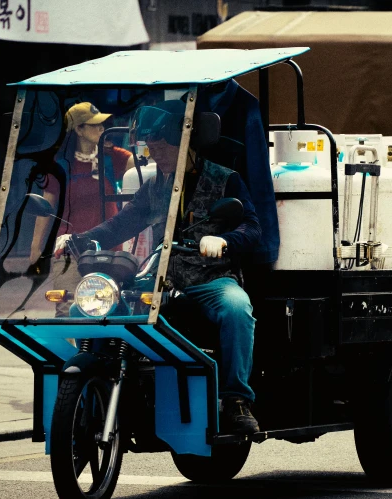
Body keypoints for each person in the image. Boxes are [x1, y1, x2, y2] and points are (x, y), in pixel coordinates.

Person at [55, 100, 262, 435]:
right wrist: (79, 238)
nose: (156, 155)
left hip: (212, 278)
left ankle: (237, 398)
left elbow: (252, 228)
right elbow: (123, 224)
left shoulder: (225, 180)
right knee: (91, 307)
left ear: (185, 143)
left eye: (163, 147)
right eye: (151, 148)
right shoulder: (155, 185)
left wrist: (223, 241)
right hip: (162, 276)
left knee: (238, 309)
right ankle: (99, 384)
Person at [30, 102, 134, 316]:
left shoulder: (113, 157)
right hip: (68, 249)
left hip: (109, 249)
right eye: (95, 125)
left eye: (102, 125)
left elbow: (141, 169)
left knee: (109, 309)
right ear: (78, 129)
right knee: (67, 310)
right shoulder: (60, 164)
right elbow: (46, 207)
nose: (101, 129)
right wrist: (35, 247)